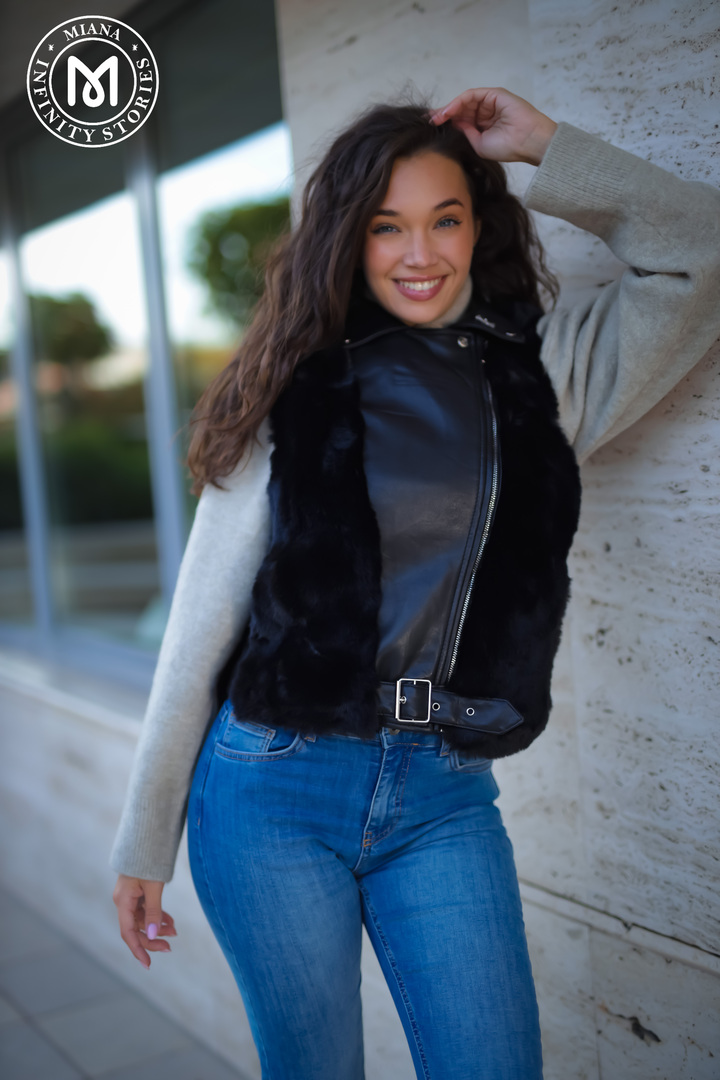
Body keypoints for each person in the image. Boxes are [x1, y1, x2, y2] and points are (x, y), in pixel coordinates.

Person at [110, 87, 720, 1080]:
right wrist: (144, 840)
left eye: (446, 218)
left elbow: (702, 249)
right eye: (386, 226)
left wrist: (544, 144)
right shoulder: (295, 383)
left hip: (444, 793)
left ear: (481, 227)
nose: (419, 253)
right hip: (273, 786)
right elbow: (201, 627)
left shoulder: (543, 374)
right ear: (350, 240)